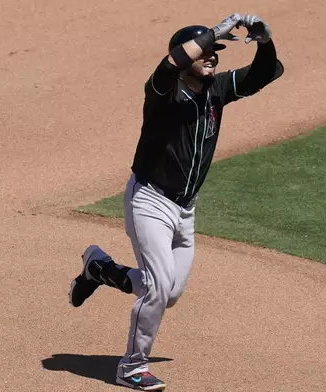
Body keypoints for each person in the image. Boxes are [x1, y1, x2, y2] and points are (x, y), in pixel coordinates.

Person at [69, 12, 284, 390]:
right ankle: (131, 367)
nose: (212, 57)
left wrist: (265, 41)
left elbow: (266, 73)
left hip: (186, 209)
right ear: (186, 58)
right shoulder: (162, 93)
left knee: (169, 293)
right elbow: (169, 65)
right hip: (150, 200)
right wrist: (209, 34)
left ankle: (99, 269)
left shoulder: (216, 90)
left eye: (216, 52)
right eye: (206, 53)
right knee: (156, 288)